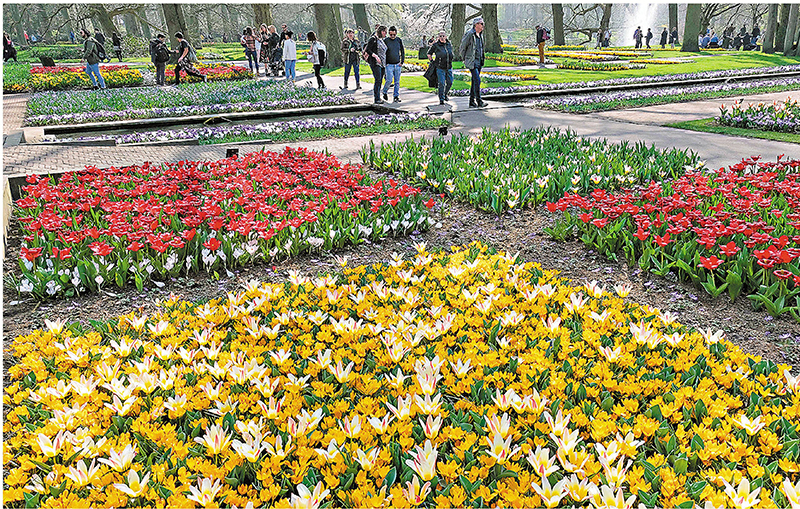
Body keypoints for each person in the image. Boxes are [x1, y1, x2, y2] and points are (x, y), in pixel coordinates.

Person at [460, 17, 486, 108]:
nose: (483, 26)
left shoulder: (480, 35)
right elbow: (463, 47)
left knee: (474, 81)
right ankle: (479, 101)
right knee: (477, 81)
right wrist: (464, 59)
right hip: (472, 62)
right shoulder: (470, 34)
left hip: (479, 62)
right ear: (476, 25)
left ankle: (471, 101)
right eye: (481, 24)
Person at [428, 30, 453, 105]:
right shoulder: (436, 45)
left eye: (443, 36)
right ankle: (441, 99)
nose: (442, 37)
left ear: (446, 36)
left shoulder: (448, 44)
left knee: (450, 82)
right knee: (441, 83)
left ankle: (445, 94)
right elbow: (429, 54)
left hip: (449, 66)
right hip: (440, 67)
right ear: (438, 37)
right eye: (440, 36)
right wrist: (432, 61)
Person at [364, 25, 387, 104]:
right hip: (375, 62)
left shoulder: (382, 40)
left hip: (383, 63)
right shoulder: (373, 39)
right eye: (384, 32)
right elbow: (368, 49)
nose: (385, 34)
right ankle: (376, 98)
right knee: (378, 80)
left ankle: (378, 97)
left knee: (380, 80)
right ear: (381, 31)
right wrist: (375, 55)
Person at [382, 26, 404, 102]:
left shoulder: (398, 40)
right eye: (391, 35)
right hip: (389, 65)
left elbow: (402, 51)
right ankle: (384, 91)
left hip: (397, 64)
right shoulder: (386, 41)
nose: (392, 36)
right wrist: (385, 63)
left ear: (396, 34)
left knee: (397, 82)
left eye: (394, 35)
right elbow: (383, 52)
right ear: (389, 33)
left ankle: (396, 96)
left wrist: (402, 61)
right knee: (389, 80)